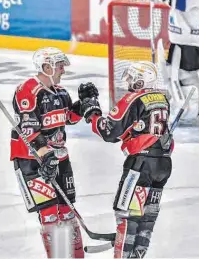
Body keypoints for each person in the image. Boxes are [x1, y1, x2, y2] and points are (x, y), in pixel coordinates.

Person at [79, 61, 173, 258]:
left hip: (141, 166)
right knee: (147, 218)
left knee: (127, 216)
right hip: (163, 165)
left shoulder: (133, 98)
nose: (128, 81)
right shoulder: (163, 99)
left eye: (132, 77)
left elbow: (110, 132)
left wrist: (92, 113)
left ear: (141, 81)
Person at [10, 47, 97, 258]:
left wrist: (84, 105)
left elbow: (67, 118)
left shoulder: (60, 92)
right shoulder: (27, 90)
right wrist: (45, 154)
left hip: (59, 158)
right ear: (46, 67)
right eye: (59, 67)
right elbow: (29, 127)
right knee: (49, 214)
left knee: (67, 212)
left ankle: (75, 256)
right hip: (31, 161)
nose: (63, 71)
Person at [147, 0, 199, 125]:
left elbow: (183, 2)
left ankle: (190, 113)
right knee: (175, 74)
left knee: (186, 76)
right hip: (183, 37)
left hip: (191, 38)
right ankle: (181, 108)